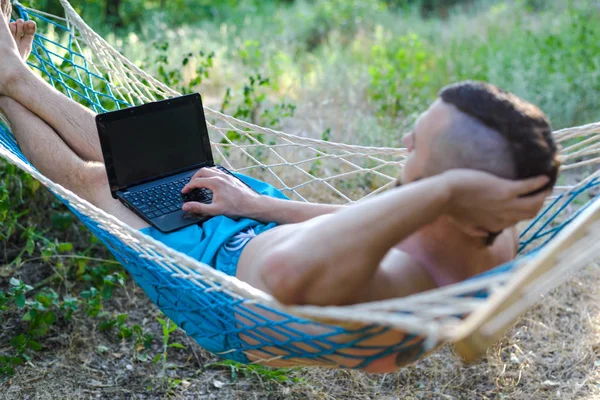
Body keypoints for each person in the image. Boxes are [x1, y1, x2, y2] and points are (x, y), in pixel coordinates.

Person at [0, 4, 557, 372]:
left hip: (220, 284)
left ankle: (7, 82)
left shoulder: (402, 280)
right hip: (253, 224)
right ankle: (19, 77)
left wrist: (441, 188)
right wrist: (254, 203)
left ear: (449, 193)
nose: (405, 137)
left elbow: (291, 276)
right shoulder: (489, 220)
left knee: (91, 180)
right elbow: (353, 220)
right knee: (152, 162)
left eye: (419, 148)